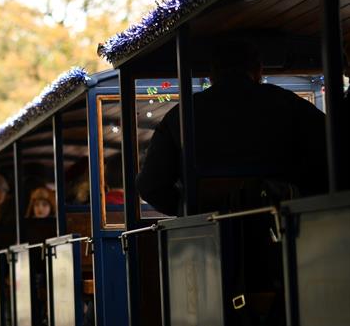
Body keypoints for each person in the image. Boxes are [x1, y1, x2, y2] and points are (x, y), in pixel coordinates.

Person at [136, 39, 327, 216]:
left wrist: (190, 209)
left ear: (212, 75)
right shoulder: (289, 104)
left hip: (205, 231)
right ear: (258, 70)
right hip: (285, 224)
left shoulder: (181, 114)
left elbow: (150, 185)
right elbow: (332, 156)